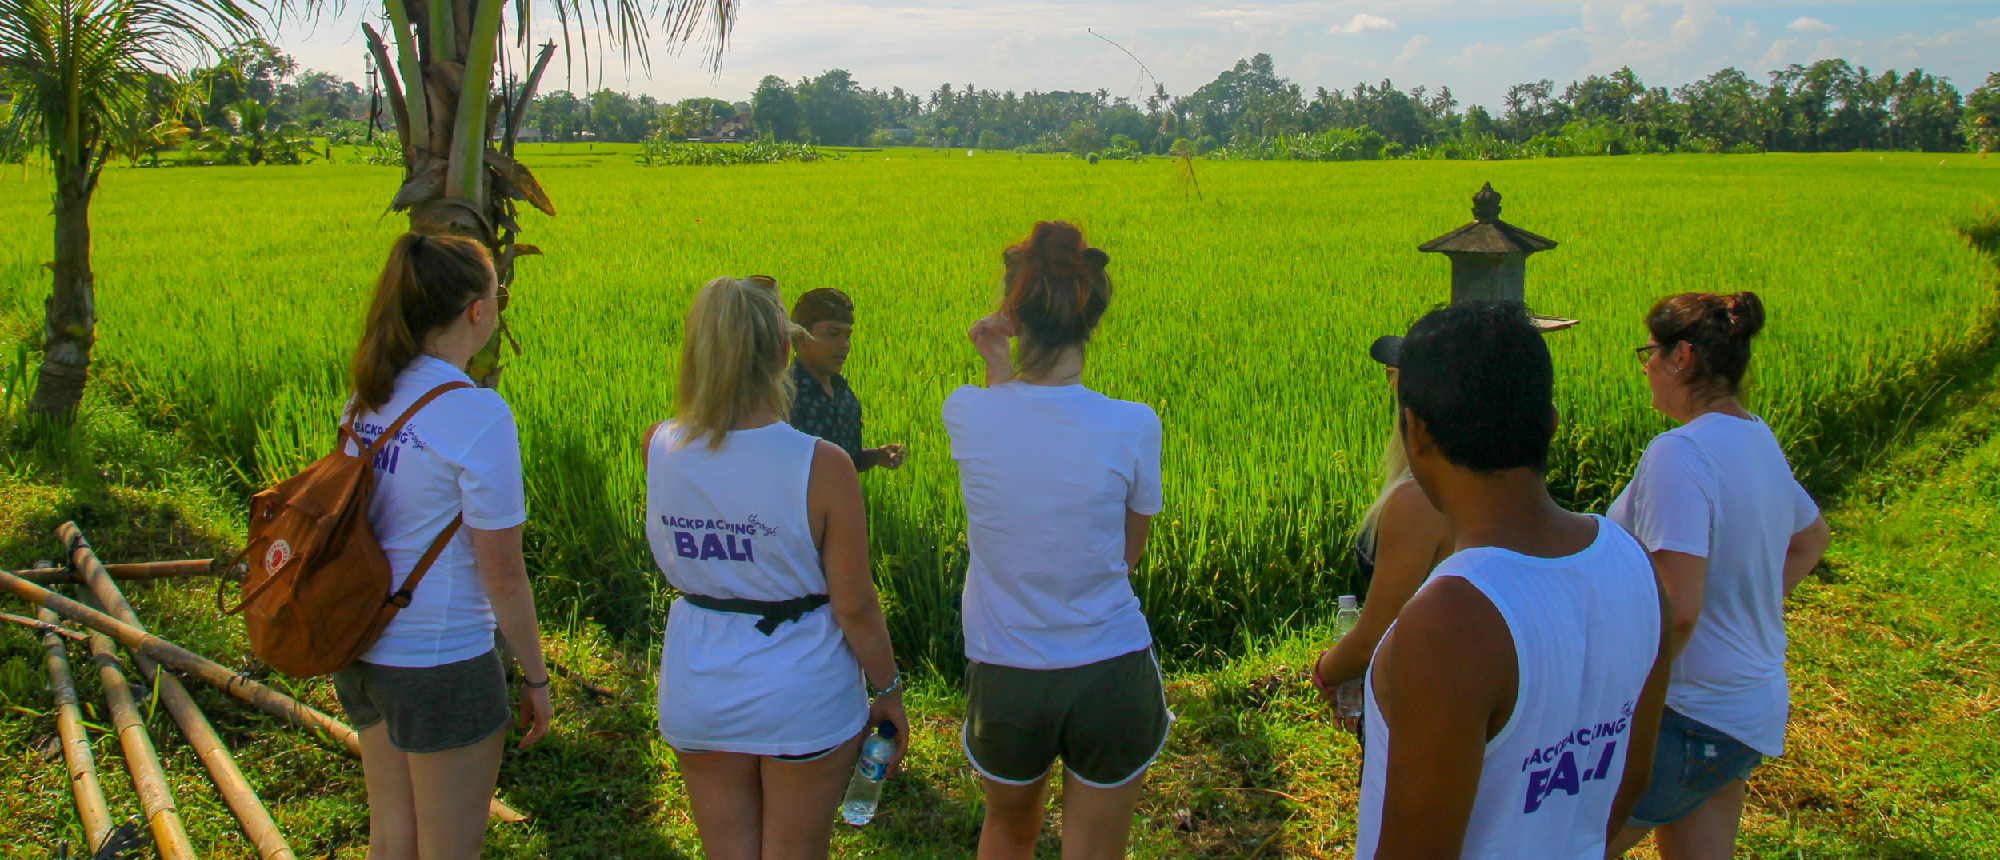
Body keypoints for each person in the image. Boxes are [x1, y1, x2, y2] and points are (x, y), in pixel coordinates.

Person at [1357, 300, 1674, 860]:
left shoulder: (1450, 622)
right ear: (1549, 423)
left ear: (1416, 432)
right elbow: (1628, 780)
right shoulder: (1636, 565)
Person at [646, 275, 908, 860]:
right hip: (802, 691)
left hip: (698, 685)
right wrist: (888, 689)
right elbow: (855, 604)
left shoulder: (657, 445)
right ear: (786, 353)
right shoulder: (822, 465)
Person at [943, 222, 1170, 860]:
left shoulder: (965, 410)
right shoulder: (1133, 424)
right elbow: (1129, 553)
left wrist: (994, 364)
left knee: (1008, 832)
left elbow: (1009, 436)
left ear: (1014, 316)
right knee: (1096, 848)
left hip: (1008, 675)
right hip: (1111, 671)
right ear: (1091, 315)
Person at [332, 233, 553, 860]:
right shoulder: (478, 415)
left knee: (393, 836)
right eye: (497, 293)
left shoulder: (367, 396)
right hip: (439, 662)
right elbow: (503, 572)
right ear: (477, 311)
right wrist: (535, 678)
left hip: (362, 648)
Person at [1606, 292, 1832, 860]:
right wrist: (1746, 599)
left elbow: (1680, 608)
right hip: (1745, 713)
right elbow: (1811, 539)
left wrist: (1619, 698)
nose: (1645, 366)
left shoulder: (1679, 453)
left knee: (1564, 847)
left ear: (1682, 357)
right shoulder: (1756, 436)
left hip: (1688, 714)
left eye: (1649, 352)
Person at [1311, 336, 1453, 737]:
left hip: (1413, 707)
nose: (1391, 380)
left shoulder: (1420, 499)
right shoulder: (1479, 481)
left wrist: (1325, 674)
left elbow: (1372, 637)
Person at [788, 287, 906, 472]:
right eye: (833, 334)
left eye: (847, 336)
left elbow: (849, 459)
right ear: (800, 336)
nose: (844, 344)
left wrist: (875, 455)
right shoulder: (783, 395)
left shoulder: (843, 392)